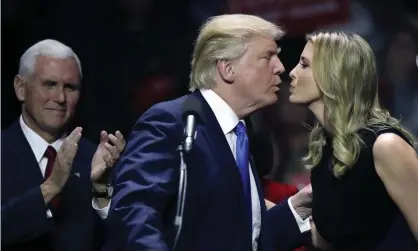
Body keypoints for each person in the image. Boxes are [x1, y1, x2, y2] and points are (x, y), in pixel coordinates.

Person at [107, 14, 313, 251]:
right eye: (268, 57)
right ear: (227, 68)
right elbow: (134, 211)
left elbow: (248, 236)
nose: (281, 67)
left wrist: (296, 209)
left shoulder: (242, 136)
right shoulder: (172, 122)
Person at [288, 31, 418, 250]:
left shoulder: (384, 145)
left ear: (333, 75)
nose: (292, 72)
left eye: (304, 65)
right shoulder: (325, 152)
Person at [1, 39, 126, 251]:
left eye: (70, 87)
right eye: (49, 84)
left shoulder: (97, 160)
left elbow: (123, 240)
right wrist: (50, 188)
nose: (60, 97)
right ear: (21, 88)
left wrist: (102, 191)